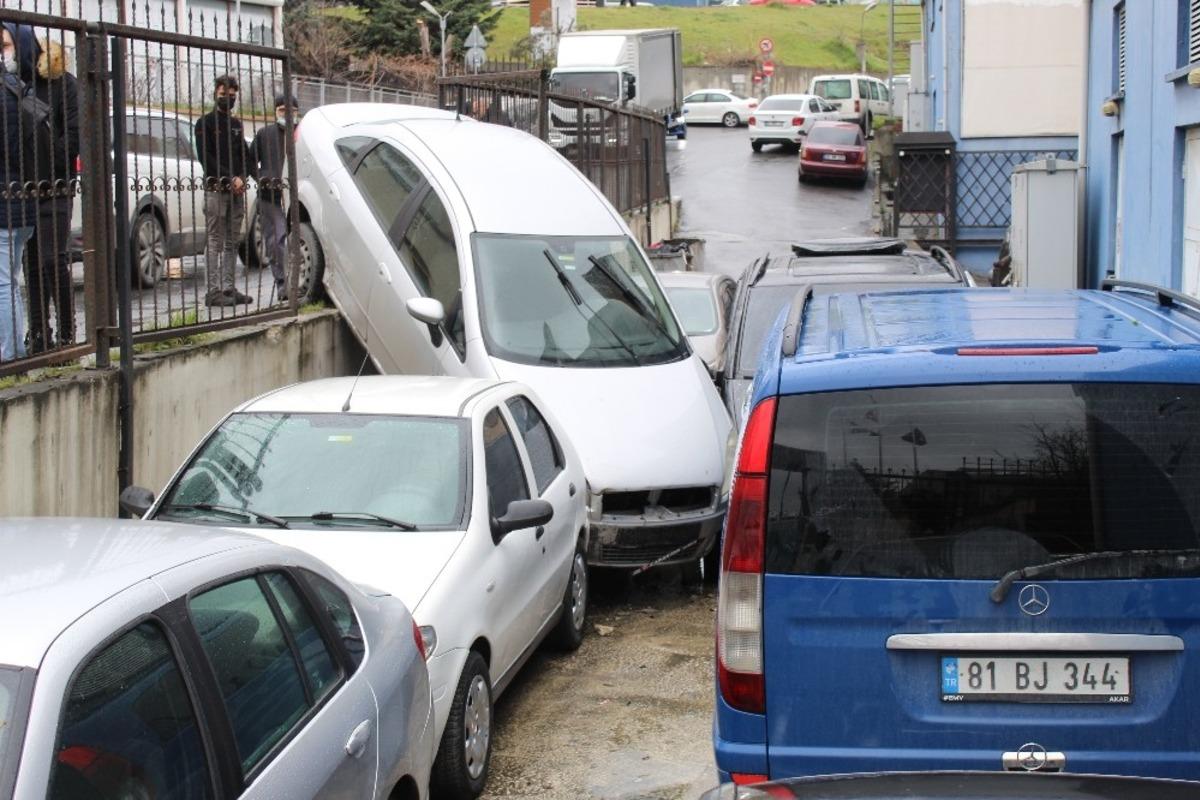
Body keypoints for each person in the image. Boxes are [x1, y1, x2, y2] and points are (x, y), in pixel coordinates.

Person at [24, 36, 79, 354]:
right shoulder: (18, 84)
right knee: (31, 263)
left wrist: (48, 157)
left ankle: (68, 332)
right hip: (24, 186)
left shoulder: (65, 84)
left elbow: (73, 137)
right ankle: (38, 333)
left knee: (52, 259)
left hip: (56, 185)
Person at [194, 74, 254, 308]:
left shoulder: (237, 124)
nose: (227, 99)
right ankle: (213, 291)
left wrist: (241, 177)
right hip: (216, 189)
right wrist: (229, 178)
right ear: (215, 94)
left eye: (231, 96)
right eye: (223, 95)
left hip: (236, 191)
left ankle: (228, 288)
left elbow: (245, 156)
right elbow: (205, 157)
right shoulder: (205, 123)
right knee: (215, 240)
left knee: (232, 240)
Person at [0, 23, 39, 362]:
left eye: (5, 44)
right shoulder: (23, 89)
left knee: (3, 283)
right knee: (11, 281)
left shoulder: (5, 93)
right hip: (24, 202)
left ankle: (10, 354)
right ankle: (16, 349)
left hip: (5, 204)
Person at [251, 93, 296, 303]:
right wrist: (262, 176)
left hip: (296, 197)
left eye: (291, 111)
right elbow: (250, 160)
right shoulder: (264, 134)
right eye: (282, 111)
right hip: (270, 197)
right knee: (276, 240)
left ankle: (298, 281)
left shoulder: (300, 135)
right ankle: (282, 284)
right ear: (275, 111)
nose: (286, 115)